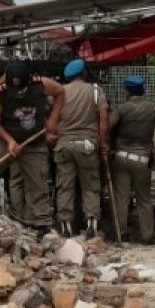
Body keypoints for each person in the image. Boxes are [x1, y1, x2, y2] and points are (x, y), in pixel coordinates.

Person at [0, 60, 64, 233]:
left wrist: (53, 118)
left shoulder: (42, 85)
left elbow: (61, 92)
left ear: (30, 79)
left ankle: (42, 224)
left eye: (22, 89)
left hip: (35, 142)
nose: (18, 93)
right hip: (6, 141)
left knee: (38, 183)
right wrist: (9, 141)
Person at [109, 76, 155, 243]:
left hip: (121, 157)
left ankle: (120, 233)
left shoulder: (121, 109)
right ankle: (147, 236)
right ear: (143, 91)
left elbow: (108, 126)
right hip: (143, 159)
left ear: (127, 92)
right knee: (144, 198)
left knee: (121, 197)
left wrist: (109, 146)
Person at [54, 59, 109, 238]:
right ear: (84, 73)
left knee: (65, 186)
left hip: (64, 145)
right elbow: (104, 122)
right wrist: (104, 144)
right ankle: (91, 222)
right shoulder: (95, 91)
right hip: (87, 145)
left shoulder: (60, 92)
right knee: (90, 186)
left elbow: (53, 121)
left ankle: (65, 225)